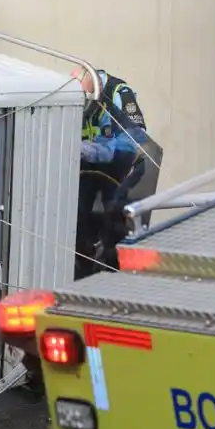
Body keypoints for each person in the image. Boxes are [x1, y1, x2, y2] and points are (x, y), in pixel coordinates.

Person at [71, 66, 149, 279]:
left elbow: (135, 139)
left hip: (123, 165)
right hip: (91, 166)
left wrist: (91, 150)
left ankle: (116, 269)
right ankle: (83, 268)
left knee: (115, 216)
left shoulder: (119, 94)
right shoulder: (75, 98)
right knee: (76, 212)